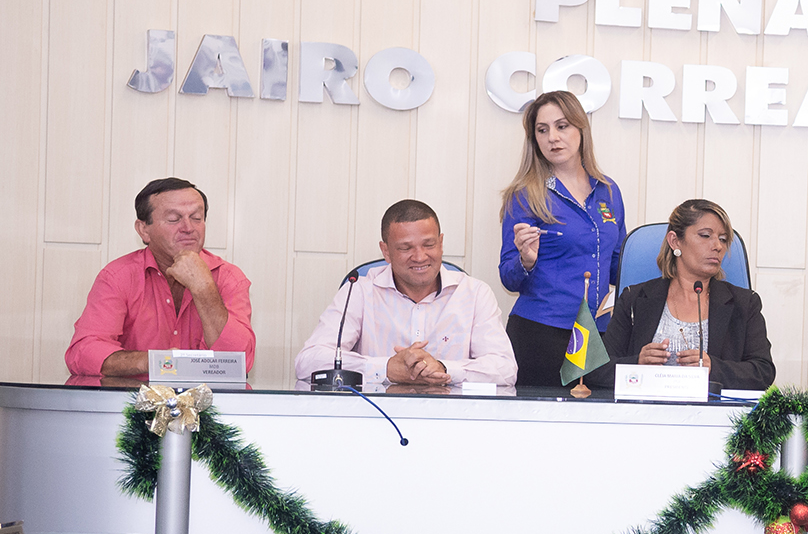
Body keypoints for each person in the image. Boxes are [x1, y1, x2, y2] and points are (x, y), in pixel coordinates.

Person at [293, 200, 517, 387]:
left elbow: (505, 370)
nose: (419, 257)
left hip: (452, 417)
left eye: (429, 244)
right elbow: (308, 362)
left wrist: (443, 368)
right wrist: (386, 368)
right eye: (405, 248)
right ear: (386, 251)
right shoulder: (359, 291)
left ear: (441, 243)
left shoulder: (475, 293)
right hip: (374, 416)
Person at [66, 178, 256, 378]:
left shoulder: (229, 278)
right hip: (136, 397)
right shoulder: (117, 277)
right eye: (174, 219)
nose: (188, 227)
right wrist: (156, 361)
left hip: (207, 398)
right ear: (143, 230)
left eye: (196, 218)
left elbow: (240, 362)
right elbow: (82, 353)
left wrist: (203, 288)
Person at [499, 89, 626, 388]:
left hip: (598, 335)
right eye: (542, 130)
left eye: (562, 126)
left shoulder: (608, 190)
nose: (552, 138)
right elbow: (508, 277)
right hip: (540, 334)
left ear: (581, 129)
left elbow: (617, 267)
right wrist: (525, 261)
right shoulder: (524, 195)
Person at [603, 198, 775, 391]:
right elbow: (598, 370)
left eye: (723, 239)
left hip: (714, 409)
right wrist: (637, 364)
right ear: (675, 241)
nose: (718, 246)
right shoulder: (634, 299)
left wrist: (714, 368)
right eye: (705, 236)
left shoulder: (745, 303)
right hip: (646, 408)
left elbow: (763, 372)